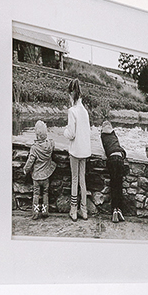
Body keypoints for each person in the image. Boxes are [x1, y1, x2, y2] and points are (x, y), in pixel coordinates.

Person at [64, 80, 92, 220]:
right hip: (84, 150)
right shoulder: (85, 112)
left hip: (75, 151)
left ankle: (73, 210)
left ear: (71, 94)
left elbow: (71, 134)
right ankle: (84, 210)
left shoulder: (72, 111)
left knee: (74, 180)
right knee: (82, 180)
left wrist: (64, 131)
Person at [22, 120, 56, 219]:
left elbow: (30, 161)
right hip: (46, 175)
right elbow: (53, 143)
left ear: (36, 135)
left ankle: (35, 212)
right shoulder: (50, 144)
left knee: (36, 194)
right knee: (45, 193)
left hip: (36, 176)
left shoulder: (34, 148)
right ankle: (45, 211)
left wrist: (25, 169)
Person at [100, 119, 127, 223]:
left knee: (113, 185)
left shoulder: (103, 135)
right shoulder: (113, 133)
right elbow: (117, 145)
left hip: (111, 159)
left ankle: (114, 210)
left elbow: (105, 150)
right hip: (119, 158)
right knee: (119, 185)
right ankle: (119, 209)